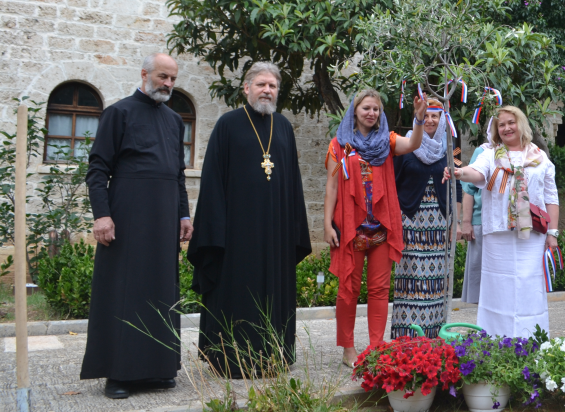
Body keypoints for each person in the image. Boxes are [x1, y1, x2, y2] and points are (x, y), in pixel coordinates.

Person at [187, 62, 311, 378]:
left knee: (274, 294)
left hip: (276, 236)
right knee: (236, 293)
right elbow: (213, 182)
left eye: (272, 86)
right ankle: (230, 358)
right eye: (261, 85)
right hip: (236, 236)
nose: (267, 90)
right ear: (246, 88)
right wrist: (215, 233)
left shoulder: (283, 127)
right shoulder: (227, 125)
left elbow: (293, 183)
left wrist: (296, 229)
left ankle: (274, 355)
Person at [81, 53, 192, 399]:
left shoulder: (175, 121)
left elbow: (177, 175)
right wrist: (102, 215)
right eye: (163, 77)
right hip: (127, 217)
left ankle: (157, 370)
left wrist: (184, 215)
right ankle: (119, 374)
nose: (168, 84)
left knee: (160, 292)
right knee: (123, 293)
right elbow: (98, 169)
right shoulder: (119, 112)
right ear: (144, 74)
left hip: (163, 220)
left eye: (173, 79)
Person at [324, 89, 426, 366]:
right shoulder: (339, 145)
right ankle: (348, 349)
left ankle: (377, 347)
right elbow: (332, 186)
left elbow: (413, 145)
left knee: (380, 289)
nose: (371, 113)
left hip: (381, 226)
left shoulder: (387, 141)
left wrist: (418, 120)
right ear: (354, 111)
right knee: (348, 289)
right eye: (366, 108)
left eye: (376, 110)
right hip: (351, 227)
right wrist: (326, 224)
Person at [445, 106, 559, 338]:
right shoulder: (490, 154)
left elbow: (551, 197)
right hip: (498, 235)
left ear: (521, 124)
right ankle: (498, 342)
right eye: (501, 124)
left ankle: (531, 340)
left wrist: (553, 233)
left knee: (529, 289)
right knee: (498, 289)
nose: (506, 128)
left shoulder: (540, 156)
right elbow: (478, 174)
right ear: (496, 130)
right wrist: (459, 173)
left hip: (533, 235)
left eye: (511, 122)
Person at [391, 99, 461, 338]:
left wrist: (458, 223)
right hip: (409, 220)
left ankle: (433, 335)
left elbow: (457, 186)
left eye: (436, 116)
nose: (431, 120)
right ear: (419, 116)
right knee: (410, 275)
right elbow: (392, 182)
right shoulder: (405, 146)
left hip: (440, 222)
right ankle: (407, 336)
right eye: (427, 115)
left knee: (437, 279)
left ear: (443, 120)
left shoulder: (450, 147)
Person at [457, 118, 493, 304]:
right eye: (498, 125)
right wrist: (466, 222)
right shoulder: (483, 151)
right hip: (480, 221)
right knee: (479, 267)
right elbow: (469, 190)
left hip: (507, 223)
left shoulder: (521, 153)